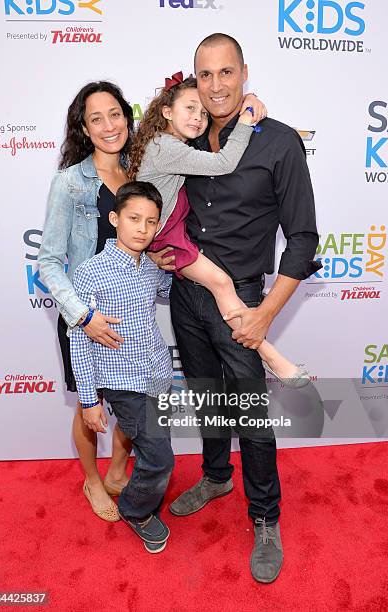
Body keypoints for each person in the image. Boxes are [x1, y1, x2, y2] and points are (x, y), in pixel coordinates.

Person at [153, 34, 322, 583]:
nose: (217, 85)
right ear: (193, 81)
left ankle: (266, 516)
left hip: (245, 298)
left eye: (227, 73)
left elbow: (302, 238)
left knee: (250, 412)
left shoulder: (278, 143)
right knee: (206, 396)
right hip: (185, 291)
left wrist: (267, 312)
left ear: (244, 73)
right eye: (206, 75)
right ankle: (216, 475)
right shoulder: (188, 135)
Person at [130, 73, 309, 386]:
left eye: (202, 112)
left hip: (173, 232)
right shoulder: (166, 148)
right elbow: (223, 163)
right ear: (167, 112)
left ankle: (269, 356)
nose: (198, 118)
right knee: (223, 284)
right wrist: (247, 119)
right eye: (189, 109)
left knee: (221, 287)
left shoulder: (173, 144)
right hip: (168, 235)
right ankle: (269, 354)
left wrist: (246, 107)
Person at [38, 82, 134, 522]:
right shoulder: (70, 182)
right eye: (96, 118)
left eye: (115, 114)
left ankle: (117, 468)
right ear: (84, 127)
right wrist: (83, 316)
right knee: (88, 405)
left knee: (134, 396)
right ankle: (92, 480)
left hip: (131, 309)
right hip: (84, 316)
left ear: (127, 117)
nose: (108, 125)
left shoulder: (139, 172)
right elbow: (49, 263)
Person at [70, 181, 174, 554]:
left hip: (158, 373)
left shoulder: (148, 268)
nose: (142, 228)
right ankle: (136, 510)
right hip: (122, 381)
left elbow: (166, 290)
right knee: (161, 458)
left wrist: (172, 268)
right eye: (134, 218)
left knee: (153, 450)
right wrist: (88, 400)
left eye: (151, 221)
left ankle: (128, 486)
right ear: (115, 218)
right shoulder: (90, 272)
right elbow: (79, 340)